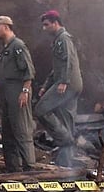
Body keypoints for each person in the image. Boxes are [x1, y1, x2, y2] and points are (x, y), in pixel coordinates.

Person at [0, 15, 37, 172]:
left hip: (17, 92)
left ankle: (29, 169)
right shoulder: (6, 48)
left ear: (5, 27)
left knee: (22, 130)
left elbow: (29, 72)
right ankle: (13, 169)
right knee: (8, 134)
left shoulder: (18, 46)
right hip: (7, 94)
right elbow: (5, 74)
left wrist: (25, 91)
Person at [34, 10, 83, 167]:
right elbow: (56, 68)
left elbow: (67, 61)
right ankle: (66, 164)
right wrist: (46, 86)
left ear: (56, 23)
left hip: (68, 84)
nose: (44, 28)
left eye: (46, 25)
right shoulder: (59, 39)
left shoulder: (63, 39)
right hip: (71, 84)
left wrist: (64, 82)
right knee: (66, 122)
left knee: (40, 109)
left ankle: (67, 140)